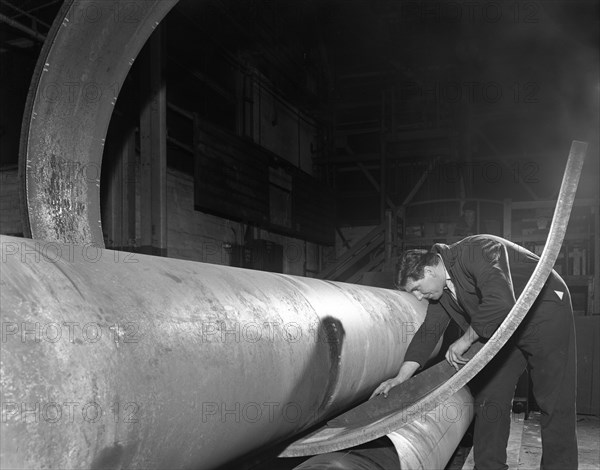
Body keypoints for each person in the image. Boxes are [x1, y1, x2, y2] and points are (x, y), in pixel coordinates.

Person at [371, 234, 577, 470]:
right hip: (504, 327)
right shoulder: (441, 291)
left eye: (417, 289)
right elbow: (428, 333)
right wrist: (401, 377)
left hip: (543, 308)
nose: (418, 297)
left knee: (553, 398)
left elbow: (500, 302)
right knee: (490, 397)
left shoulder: (477, 250)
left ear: (430, 270)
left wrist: (465, 340)